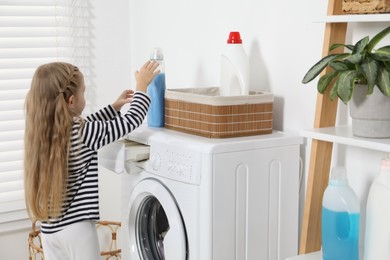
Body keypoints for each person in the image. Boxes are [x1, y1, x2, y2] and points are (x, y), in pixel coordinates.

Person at [24, 60, 160, 259]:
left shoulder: (45, 132)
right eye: (83, 92)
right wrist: (141, 87)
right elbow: (131, 120)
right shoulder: (82, 132)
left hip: (50, 230)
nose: (84, 97)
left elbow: (87, 123)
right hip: (77, 229)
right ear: (71, 101)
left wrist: (113, 108)